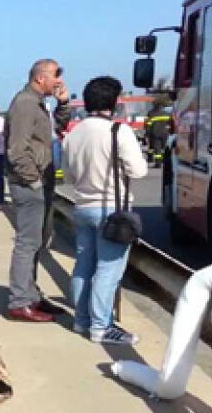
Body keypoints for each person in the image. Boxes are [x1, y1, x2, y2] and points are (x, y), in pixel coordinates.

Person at [62, 76, 148, 344]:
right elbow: (139, 170)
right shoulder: (118, 131)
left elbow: (69, 177)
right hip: (111, 209)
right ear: (114, 102)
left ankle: (81, 320)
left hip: (82, 206)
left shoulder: (72, 134)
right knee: (108, 270)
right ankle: (101, 326)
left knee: (83, 265)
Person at [4, 59, 71, 322]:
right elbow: (17, 149)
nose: (59, 81)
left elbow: (60, 128)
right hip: (29, 184)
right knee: (27, 242)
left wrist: (63, 104)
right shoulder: (24, 104)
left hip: (40, 181)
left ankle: (31, 294)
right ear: (40, 78)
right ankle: (20, 301)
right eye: (56, 76)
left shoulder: (38, 104)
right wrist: (32, 179)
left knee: (39, 240)